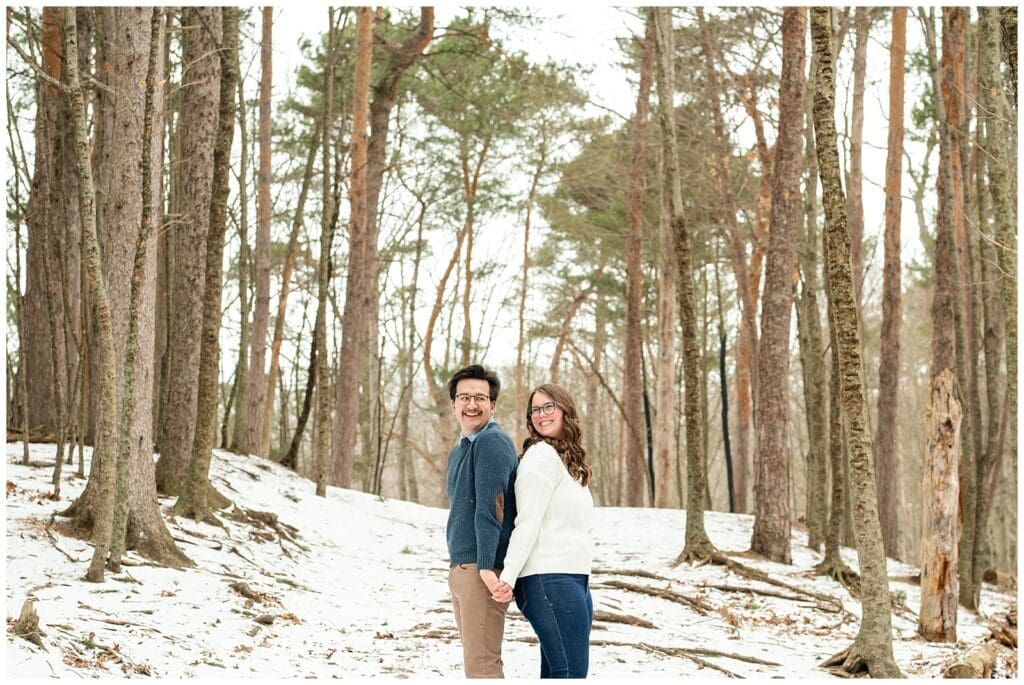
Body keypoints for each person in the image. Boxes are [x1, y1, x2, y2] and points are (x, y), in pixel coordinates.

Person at [491, 383, 594, 679]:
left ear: (565, 411)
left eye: (549, 406)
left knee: (559, 673)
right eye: (535, 409)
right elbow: (527, 522)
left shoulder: (566, 463)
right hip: (548, 577)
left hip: (574, 579)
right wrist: (508, 576)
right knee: (570, 674)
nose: (541, 414)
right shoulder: (539, 458)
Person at [444, 364, 518, 678]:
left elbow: (492, 507)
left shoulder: (491, 442)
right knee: (476, 666)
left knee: (483, 667)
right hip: (463, 568)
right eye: (464, 398)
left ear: (492, 404)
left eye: (479, 398)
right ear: (453, 405)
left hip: (481, 570)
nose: (471, 405)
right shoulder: (461, 449)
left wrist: (487, 567)